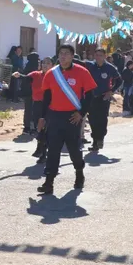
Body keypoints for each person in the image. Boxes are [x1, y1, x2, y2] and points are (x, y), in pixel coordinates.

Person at [36, 44, 97, 195]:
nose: (63, 56)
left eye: (66, 53)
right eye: (61, 53)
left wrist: (81, 113)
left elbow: (90, 95)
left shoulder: (82, 72)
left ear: (72, 56)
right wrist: (42, 117)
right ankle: (49, 182)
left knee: (74, 149)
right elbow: (46, 98)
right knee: (53, 150)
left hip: (72, 117)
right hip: (54, 116)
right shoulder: (51, 73)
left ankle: (79, 173)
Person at [83, 48, 121, 152]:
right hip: (91, 97)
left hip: (104, 97)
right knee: (92, 119)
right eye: (96, 55)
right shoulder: (90, 65)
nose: (98, 57)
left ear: (104, 56)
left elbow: (119, 81)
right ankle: (95, 141)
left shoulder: (110, 68)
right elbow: (77, 63)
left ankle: (100, 138)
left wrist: (111, 91)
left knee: (102, 119)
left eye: (100, 55)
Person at [19, 51, 40, 134]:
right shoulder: (33, 68)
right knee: (30, 110)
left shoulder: (28, 66)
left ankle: (28, 126)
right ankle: (28, 127)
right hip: (31, 92)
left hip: (28, 92)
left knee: (28, 109)